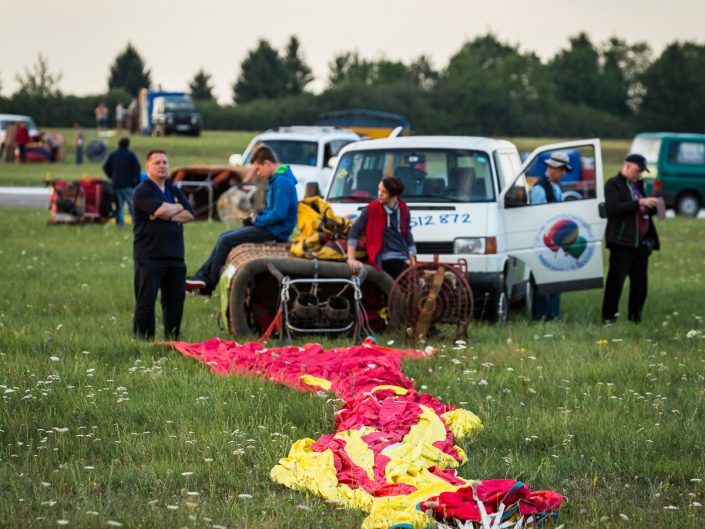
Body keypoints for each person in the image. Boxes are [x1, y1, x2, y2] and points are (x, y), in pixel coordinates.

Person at [185, 145, 298, 295]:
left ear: (267, 164)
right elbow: (275, 210)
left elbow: (279, 214)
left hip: (275, 232)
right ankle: (202, 277)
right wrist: (258, 215)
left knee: (226, 240)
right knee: (224, 237)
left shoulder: (281, 182)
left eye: (258, 169)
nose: (258, 173)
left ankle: (207, 284)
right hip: (271, 227)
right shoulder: (279, 179)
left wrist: (257, 221)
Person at [132, 149, 194, 339]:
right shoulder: (143, 190)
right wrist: (174, 209)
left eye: (165, 162)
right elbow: (159, 210)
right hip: (150, 254)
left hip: (175, 255)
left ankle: (173, 338)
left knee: (175, 301)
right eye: (157, 162)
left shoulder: (173, 189)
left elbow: (190, 214)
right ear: (148, 166)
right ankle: (144, 340)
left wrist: (167, 212)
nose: (162, 166)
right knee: (146, 301)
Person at [601, 154, 660, 325]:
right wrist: (639, 202)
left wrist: (653, 205)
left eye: (642, 172)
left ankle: (635, 318)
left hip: (640, 243)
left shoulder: (638, 185)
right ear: (627, 167)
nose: (639, 175)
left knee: (640, 285)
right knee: (615, 282)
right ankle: (608, 318)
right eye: (637, 170)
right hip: (621, 242)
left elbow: (644, 210)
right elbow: (613, 208)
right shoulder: (613, 184)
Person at [347, 176, 417, 279]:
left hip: (403, 256)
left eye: (384, 192)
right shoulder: (370, 210)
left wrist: (412, 254)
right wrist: (351, 259)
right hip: (384, 258)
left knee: (419, 276)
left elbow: (408, 235)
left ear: (394, 195)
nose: (379, 193)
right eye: (379, 189)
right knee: (404, 274)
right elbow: (354, 231)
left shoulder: (404, 210)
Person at [529, 152, 571, 321]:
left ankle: (553, 314)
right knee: (544, 281)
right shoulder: (540, 188)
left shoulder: (557, 187)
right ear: (552, 168)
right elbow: (538, 217)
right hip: (545, 242)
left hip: (556, 240)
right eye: (561, 170)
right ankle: (541, 316)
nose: (564, 174)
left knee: (556, 280)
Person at [103, 137, 141, 226]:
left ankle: (120, 223)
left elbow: (105, 167)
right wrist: (137, 181)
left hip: (115, 184)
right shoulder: (130, 155)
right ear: (128, 144)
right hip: (128, 184)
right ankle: (135, 222)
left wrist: (111, 176)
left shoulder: (113, 154)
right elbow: (137, 168)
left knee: (119, 205)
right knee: (131, 203)